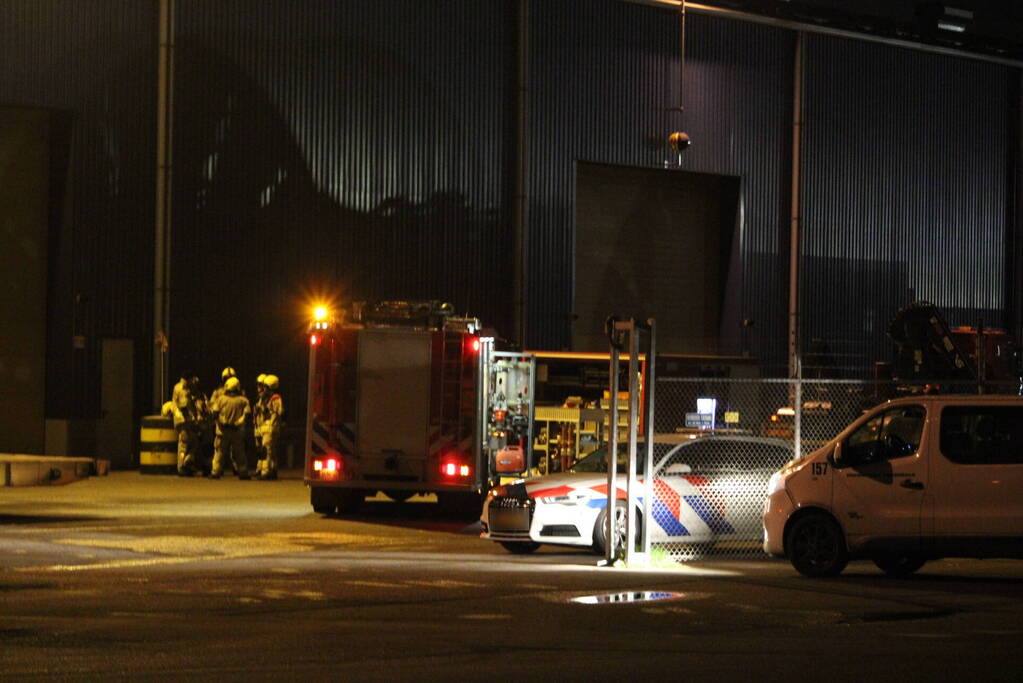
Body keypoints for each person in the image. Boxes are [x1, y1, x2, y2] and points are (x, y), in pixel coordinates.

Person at [211, 376, 251, 479]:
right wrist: (238, 423)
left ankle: (216, 472)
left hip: (222, 431)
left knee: (219, 453)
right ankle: (243, 472)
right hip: (237, 431)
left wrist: (222, 422)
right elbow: (246, 415)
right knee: (239, 453)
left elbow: (215, 414)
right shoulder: (243, 400)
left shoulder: (220, 399)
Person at [171, 372, 203, 476]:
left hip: (182, 419)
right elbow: (184, 405)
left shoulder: (178, 387)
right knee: (186, 443)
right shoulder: (183, 389)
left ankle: (185, 464)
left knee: (189, 442)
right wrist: (193, 417)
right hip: (184, 420)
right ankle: (182, 466)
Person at [256, 374, 284, 480]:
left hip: (271, 427)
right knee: (271, 451)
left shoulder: (275, 398)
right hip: (266, 427)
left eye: (265, 386)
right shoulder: (265, 398)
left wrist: (272, 426)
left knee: (267, 450)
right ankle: (273, 470)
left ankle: (266, 472)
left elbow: (277, 413)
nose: (263, 388)